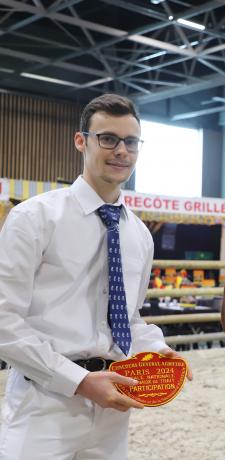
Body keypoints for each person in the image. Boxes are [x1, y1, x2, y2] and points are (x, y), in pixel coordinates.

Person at [0, 93, 192, 459]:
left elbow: (127, 317)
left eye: (131, 142)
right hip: (46, 401)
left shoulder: (139, 234)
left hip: (114, 402)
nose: (121, 150)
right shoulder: (35, 218)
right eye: (108, 139)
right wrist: (81, 382)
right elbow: (3, 319)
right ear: (81, 141)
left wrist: (156, 349)